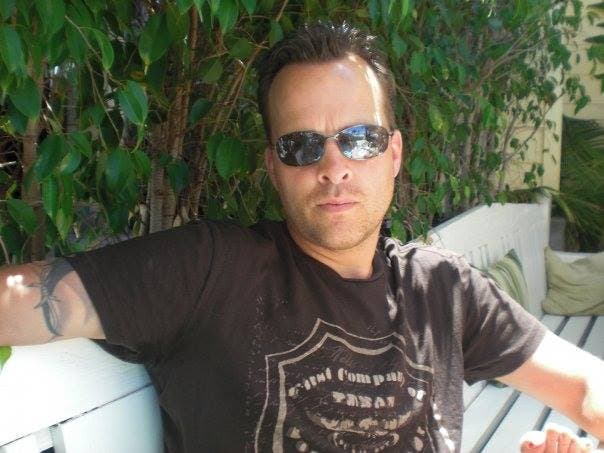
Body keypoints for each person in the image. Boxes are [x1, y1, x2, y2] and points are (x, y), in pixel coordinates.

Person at [0, 22, 602, 453]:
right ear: (272, 166)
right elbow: (19, 299)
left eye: (360, 139)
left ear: (394, 154)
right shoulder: (210, 271)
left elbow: (585, 384)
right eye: (301, 145)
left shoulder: (444, 290)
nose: (333, 167)